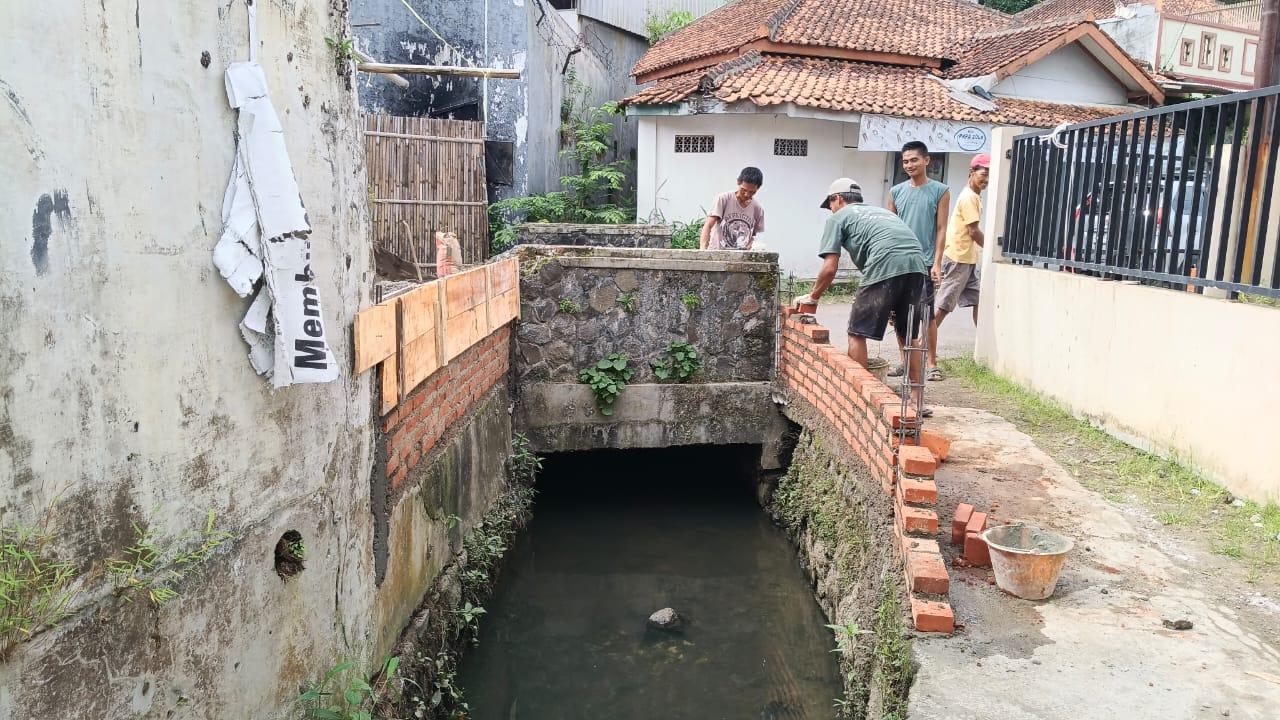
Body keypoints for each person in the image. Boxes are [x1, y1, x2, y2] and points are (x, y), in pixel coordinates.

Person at [793, 178, 932, 414]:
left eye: (830, 205)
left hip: (885, 264)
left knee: (856, 333)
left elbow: (830, 268)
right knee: (908, 334)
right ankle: (917, 401)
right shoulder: (881, 213)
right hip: (917, 266)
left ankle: (861, 399)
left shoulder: (839, 217)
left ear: (837, 199)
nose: (831, 210)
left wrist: (813, 297)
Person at [887, 140, 950, 379]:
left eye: (914, 159)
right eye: (905, 161)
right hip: (900, 262)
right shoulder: (896, 192)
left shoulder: (940, 190)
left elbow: (942, 228)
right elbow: (890, 229)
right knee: (899, 314)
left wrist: (936, 263)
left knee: (928, 314)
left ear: (926, 160)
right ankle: (905, 360)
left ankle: (931, 364)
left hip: (924, 262)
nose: (909, 165)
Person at [927, 154, 990, 378]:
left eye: (990, 174)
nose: (987, 179)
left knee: (978, 302)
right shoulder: (969, 197)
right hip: (958, 258)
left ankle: (985, 348)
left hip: (968, 259)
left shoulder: (974, 195)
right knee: (943, 307)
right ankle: (924, 353)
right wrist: (992, 249)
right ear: (972, 173)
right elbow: (973, 231)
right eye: (983, 174)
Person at [700, 167, 765, 250]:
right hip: (718, 254)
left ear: (758, 189)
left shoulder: (758, 209)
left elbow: (755, 235)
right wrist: (702, 250)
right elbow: (708, 225)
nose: (747, 194)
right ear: (738, 182)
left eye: (752, 192)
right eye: (743, 190)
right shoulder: (723, 199)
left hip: (742, 257)